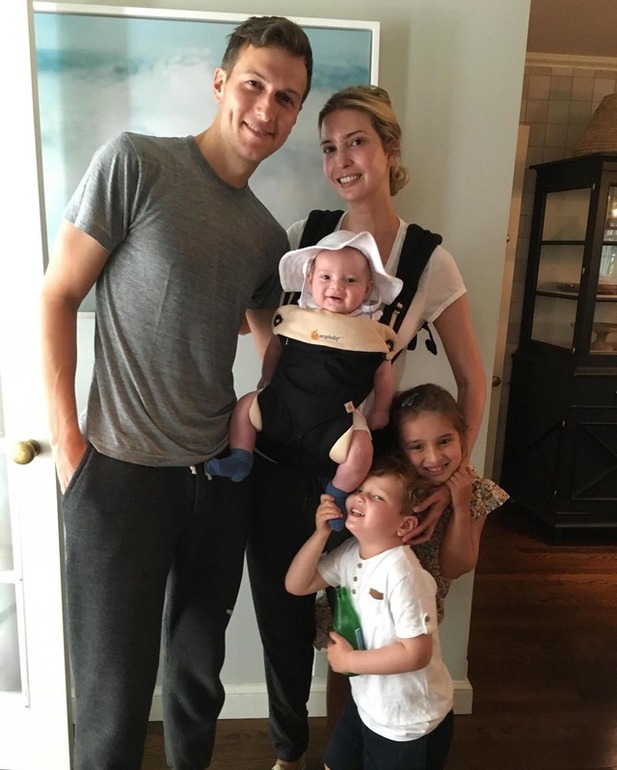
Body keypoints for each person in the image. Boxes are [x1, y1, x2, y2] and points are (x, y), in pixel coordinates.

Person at [39, 16, 313, 770]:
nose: (266, 107)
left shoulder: (266, 238)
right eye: (254, 84)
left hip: (215, 480)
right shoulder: (136, 163)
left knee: (196, 686)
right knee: (113, 702)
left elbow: (273, 349)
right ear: (221, 83)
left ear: (295, 114)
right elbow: (58, 295)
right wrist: (69, 448)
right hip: (118, 475)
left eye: (286, 97)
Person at [246, 84, 486, 769]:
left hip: (361, 469)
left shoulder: (427, 259)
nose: (342, 160)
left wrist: (449, 479)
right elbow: (266, 315)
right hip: (276, 459)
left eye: (356, 142)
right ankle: (289, 752)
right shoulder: (305, 236)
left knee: (356, 614)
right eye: (328, 147)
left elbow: (472, 378)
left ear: (390, 150)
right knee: (281, 608)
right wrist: (276, 385)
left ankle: (350, 745)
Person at [207, 229, 402, 525]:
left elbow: (382, 374)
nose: (336, 286)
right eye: (326, 277)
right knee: (246, 405)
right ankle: (240, 457)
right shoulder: (295, 318)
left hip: (335, 419)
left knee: (362, 449)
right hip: (284, 402)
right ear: (309, 279)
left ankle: (336, 494)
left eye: (350, 280)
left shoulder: (372, 335)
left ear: (368, 288)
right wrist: (266, 378)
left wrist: (381, 410)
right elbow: (276, 348)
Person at [285, 453, 455, 770]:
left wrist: (350, 662)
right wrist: (321, 533)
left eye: (377, 496)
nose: (360, 497)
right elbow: (297, 584)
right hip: (367, 702)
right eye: (360, 490)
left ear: (405, 524)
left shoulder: (403, 574)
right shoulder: (351, 553)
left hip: (406, 719)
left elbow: (417, 653)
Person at [391, 383, 509, 621]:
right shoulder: (391, 484)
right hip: (369, 606)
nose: (434, 457)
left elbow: (455, 568)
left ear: (462, 437)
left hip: (420, 615)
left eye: (444, 441)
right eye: (417, 446)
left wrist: (460, 506)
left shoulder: (476, 491)